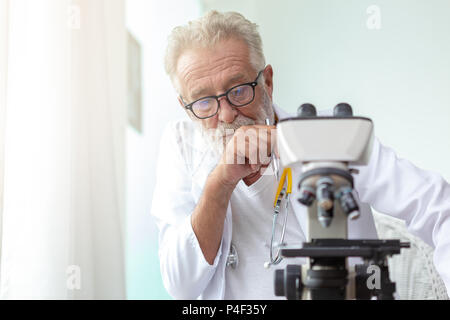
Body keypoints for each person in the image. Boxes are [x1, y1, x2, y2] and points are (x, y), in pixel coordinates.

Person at [151, 10, 450, 300]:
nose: (227, 115)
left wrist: (294, 147)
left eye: (239, 90)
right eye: (204, 102)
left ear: (267, 82)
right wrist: (220, 183)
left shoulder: (331, 134)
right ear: (185, 107)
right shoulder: (181, 146)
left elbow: (437, 206)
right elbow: (181, 286)